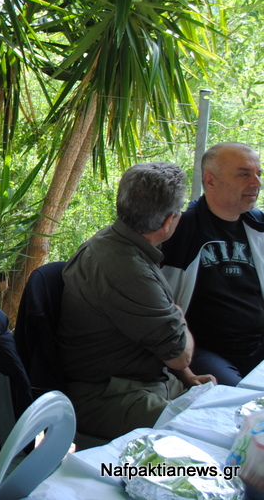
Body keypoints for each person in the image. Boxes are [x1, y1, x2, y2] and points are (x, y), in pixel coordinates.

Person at [58, 162, 215, 440]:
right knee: (203, 437)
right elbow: (179, 355)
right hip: (111, 395)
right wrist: (178, 315)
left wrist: (188, 378)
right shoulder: (127, 269)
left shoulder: (122, 244)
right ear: (169, 221)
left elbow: (162, 339)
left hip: (145, 382)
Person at [161, 142, 264, 386]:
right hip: (205, 352)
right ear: (210, 181)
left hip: (258, 344)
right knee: (237, 402)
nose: (256, 183)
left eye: (258, 174)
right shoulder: (181, 230)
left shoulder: (259, 226)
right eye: (244, 174)